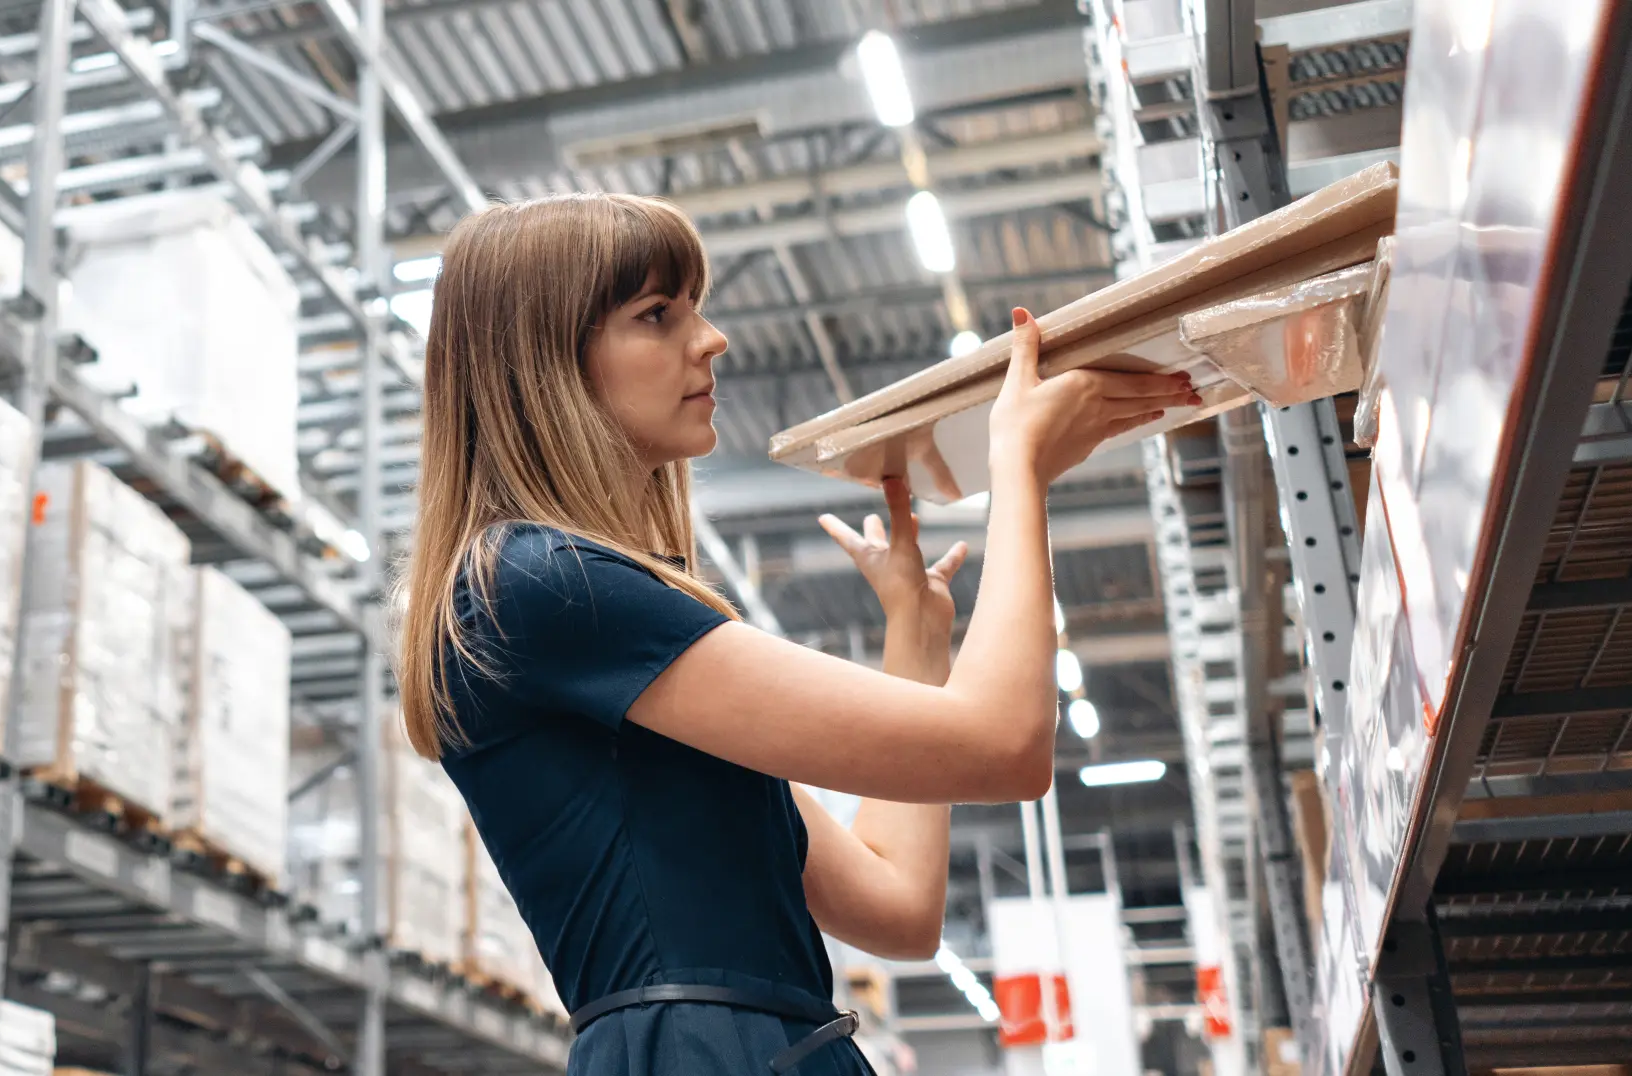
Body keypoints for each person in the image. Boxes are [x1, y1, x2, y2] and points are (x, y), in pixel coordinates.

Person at [394, 192, 1198, 1075]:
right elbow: (1006, 745)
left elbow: (897, 909)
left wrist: (917, 640)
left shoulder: (585, 615)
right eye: (657, 314)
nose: (711, 339)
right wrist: (1020, 470)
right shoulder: (546, 584)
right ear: (545, 363)